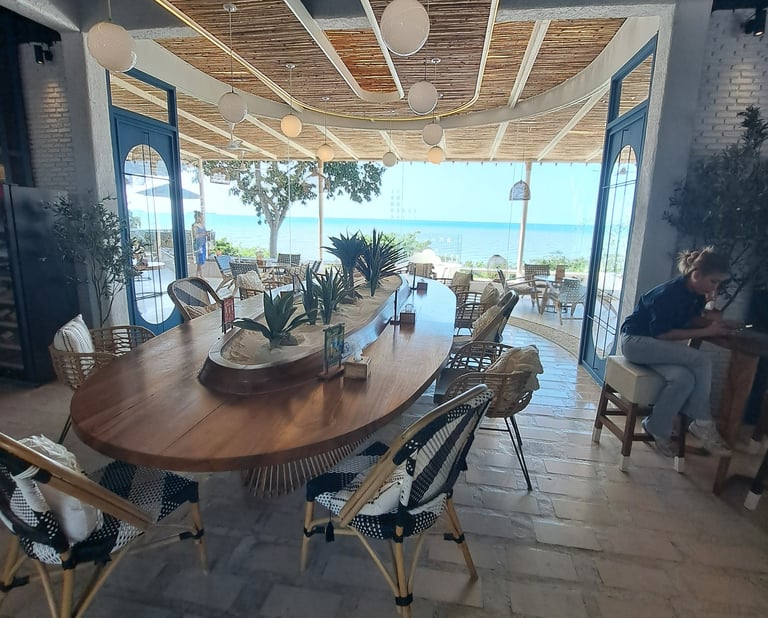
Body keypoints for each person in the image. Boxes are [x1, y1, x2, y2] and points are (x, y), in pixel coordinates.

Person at [620, 247, 733, 457]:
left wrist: (712, 307)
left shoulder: (695, 294)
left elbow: (690, 319)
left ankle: (656, 426)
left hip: (654, 347)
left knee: (684, 379)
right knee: (701, 360)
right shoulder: (669, 293)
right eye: (714, 281)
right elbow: (663, 334)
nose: (715, 287)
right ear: (696, 274)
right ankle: (702, 422)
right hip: (636, 342)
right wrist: (707, 330)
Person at [192, 211, 207, 278]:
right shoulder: (194, 225)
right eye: (201, 217)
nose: (202, 218)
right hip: (198, 245)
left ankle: (197, 276)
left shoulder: (202, 225)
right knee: (199, 261)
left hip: (203, 244)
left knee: (200, 261)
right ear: (198, 217)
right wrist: (203, 234)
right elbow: (195, 236)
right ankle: (201, 276)